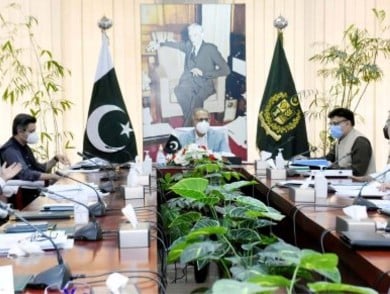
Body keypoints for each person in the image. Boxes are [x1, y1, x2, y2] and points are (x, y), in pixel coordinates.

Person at [162, 23, 230, 126]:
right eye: (190, 35)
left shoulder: (210, 49)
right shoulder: (189, 45)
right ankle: (197, 123)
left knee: (196, 99)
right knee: (179, 90)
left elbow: (226, 70)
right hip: (189, 82)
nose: (192, 39)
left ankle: (187, 129)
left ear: (202, 34)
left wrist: (204, 73)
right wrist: (160, 43)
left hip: (204, 84)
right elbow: (175, 44)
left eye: (195, 35)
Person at [0, 113, 70, 182]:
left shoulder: (25, 147)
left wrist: (56, 159)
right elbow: (25, 174)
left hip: (34, 187)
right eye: (31, 131)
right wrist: (53, 176)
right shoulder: (10, 150)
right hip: (23, 191)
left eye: (34, 131)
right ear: (20, 131)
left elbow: (40, 168)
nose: (34, 134)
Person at [325, 107, 375, 176]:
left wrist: (333, 168)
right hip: (344, 183)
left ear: (348, 123)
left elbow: (357, 171)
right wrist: (307, 161)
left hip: (362, 185)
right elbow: (328, 159)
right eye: (330, 124)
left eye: (335, 124)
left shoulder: (360, 141)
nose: (332, 127)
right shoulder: (340, 139)